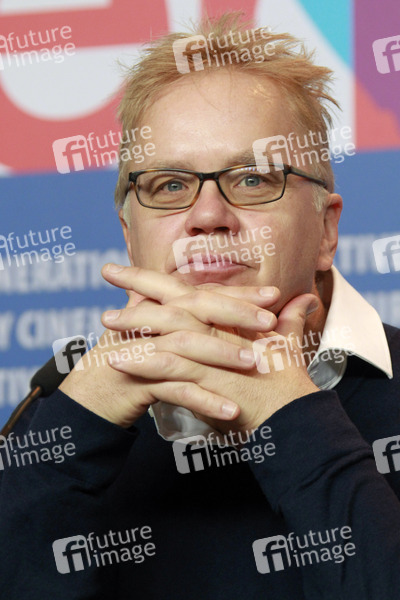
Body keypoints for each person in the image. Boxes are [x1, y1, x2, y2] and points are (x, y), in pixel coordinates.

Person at [1, 13, 399, 599]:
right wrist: (81, 423)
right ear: (130, 235)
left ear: (325, 230)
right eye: (169, 185)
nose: (208, 215)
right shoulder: (54, 415)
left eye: (254, 179)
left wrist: (288, 414)